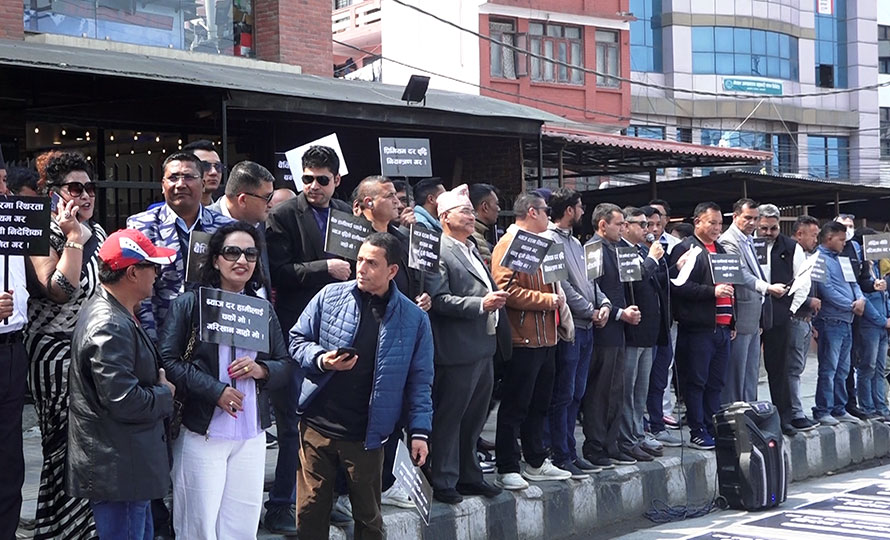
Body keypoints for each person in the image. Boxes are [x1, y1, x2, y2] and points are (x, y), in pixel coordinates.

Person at [291, 232, 433, 539]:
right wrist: (322, 360)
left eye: (371, 263)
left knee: (368, 518)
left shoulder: (414, 319)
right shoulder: (330, 295)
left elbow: (420, 381)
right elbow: (296, 339)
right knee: (310, 511)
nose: (361, 269)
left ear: (392, 270)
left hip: (367, 434)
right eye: (359, 260)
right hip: (317, 425)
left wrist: (419, 432)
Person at [159, 222, 293, 538]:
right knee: (199, 526)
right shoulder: (190, 304)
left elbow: (285, 364)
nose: (242, 260)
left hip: (251, 434)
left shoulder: (262, 309)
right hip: (202, 430)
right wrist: (215, 391)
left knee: (242, 526)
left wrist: (262, 370)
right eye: (232, 252)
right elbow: (167, 360)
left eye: (250, 254)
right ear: (215, 259)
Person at [264, 144, 352, 533]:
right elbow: (278, 272)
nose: (313, 186)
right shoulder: (283, 215)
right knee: (292, 423)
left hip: (339, 329)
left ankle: (322, 499)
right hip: (297, 329)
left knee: (331, 422)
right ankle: (281, 504)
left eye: (321, 180)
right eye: (307, 178)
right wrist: (323, 267)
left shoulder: (347, 215)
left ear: (336, 180)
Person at [67, 228, 177, 539]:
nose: (157, 275)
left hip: (126, 467)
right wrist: (165, 394)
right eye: (152, 266)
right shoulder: (110, 324)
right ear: (132, 273)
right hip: (119, 470)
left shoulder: (116, 313)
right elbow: (124, 400)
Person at [25, 151, 107, 540]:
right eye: (76, 188)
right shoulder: (40, 231)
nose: (85, 195)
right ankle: (59, 529)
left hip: (93, 350)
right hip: (54, 353)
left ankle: (85, 529)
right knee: (64, 447)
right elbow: (59, 289)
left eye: (90, 187)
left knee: (92, 444)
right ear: (54, 193)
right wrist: (73, 238)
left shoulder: (100, 233)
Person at [425, 184, 507, 503]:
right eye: (465, 211)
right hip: (457, 349)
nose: (472, 216)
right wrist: (480, 304)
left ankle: (469, 475)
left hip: (482, 345)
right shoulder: (439, 250)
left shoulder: (471, 248)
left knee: (474, 418)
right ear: (445, 217)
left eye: (472, 211)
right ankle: (444, 478)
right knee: (451, 416)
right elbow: (438, 299)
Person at [353, 175, 431, 508]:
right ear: (368, 203)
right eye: (390, 196)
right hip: (363, 332)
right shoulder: (353, 235)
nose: (398, 202)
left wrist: (420, 300)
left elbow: (411, 280)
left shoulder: (402, 238)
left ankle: (388, 482)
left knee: (395, 412)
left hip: (401, 329)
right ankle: (353, 490)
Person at [491, 192, 572, 490]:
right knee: (515, 405)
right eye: (546, 210)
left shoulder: (542, 244)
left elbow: (554, 283)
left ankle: (536, 460)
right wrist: (546, 300)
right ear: (532, 212)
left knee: (540, 404)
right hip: (522, 338)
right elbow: (505, 290)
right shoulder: (509, 243)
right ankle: (507, 465)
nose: (550, 215)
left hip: (546, 337)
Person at [127, 152, 233, 339]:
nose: (180, 184)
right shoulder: (141, 226)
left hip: (213, 333)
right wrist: (153, 344)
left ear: (203, 184)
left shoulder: (225, 228)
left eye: (189, 177)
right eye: (173, 178)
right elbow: (139, 293)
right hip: (161, 333)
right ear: (163, 185)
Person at [542, 188, 610, 476]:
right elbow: (562, 286)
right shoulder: (550, 241)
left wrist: (604, 304)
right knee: (564, 394)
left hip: (587, 327)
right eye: (580, 207)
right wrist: (589, 310)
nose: (583, 212)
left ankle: (570, 450)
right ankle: (560, 453)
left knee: (577, 392)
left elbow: (591, 281)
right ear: (569, 210)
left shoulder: (576, 242)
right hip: (570, 329)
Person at [670, 202, 734, 450]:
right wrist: (711, 292)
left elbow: (733, 286)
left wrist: (733, 320)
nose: (717, 228)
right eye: (712, 223)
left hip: (723, 327)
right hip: (699, 327)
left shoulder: (721, 249)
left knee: (716, 383)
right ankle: (697, 430)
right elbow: (678, 285)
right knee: (697, 381)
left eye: (720, 223)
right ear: (697, 222)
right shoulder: (686, 249)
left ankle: (712, 427)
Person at [583, 203, 641, 466]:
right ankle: (595, 445)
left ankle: (612, 442)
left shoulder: (618, 249)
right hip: (604, 327)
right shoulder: (594, 249)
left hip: (620, 328)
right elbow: (592, 290)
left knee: (617, 389)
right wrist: (619, 313)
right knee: (601, 390)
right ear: (603, 225)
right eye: (619, 224)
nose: (623, 228)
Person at [718, 199, 787, 403]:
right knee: (736, 374)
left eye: (755, 219)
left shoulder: (749, 239)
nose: (752, 223)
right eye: (747, 218)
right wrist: (767, 287)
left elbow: (755, 271)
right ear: (735, 216)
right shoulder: (728, 241)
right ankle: (735, 414)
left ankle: (749, 413)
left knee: (750, 374)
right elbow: (740, 274)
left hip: (754, 314)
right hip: (740, 314)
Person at [617, 206, 666, 461]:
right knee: (628, 388)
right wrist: (653, 260)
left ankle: (638, 433)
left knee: (641, 389)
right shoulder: (622, 250)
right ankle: (627, 437)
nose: (648, 230)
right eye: (642, 224)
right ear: (626, 226)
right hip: (631, 331)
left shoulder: (642, 251)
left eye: (648, 225)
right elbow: (634, 279)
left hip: (649, 330)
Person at [812, 221, 867, 425]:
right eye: (841, 239)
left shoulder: (842, 259)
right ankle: (823, 409)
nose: (844, 243)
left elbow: (854, 284)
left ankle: (839, 408)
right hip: (830, 320)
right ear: (829, 238)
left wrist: (860, 299)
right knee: (829, 368)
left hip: (846, 321)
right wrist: (851, 305)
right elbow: (826, 290)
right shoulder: (818, 259)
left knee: (843, 369)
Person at [0, 158, 29, 539]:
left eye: (5, 181)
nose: (4, 191)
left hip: (13, 350)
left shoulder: (15, 226)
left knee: (9, 460)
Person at [640, 206, 681, 447]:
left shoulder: (660, 251)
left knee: (659, 378)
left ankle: (658, 424)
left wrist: (676, 267)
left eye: (657, 224)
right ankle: (641, 429)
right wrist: (652, 259)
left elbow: (663, 281)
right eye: (647, 225)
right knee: (640, 383)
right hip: (641, 328)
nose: (653, 230)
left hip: (662, 324)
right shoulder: (633, 252)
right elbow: (638, 281)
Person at [756, 204, 799, 435]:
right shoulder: (749, 244)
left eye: (773, 228)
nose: (768, 233)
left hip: (780, 311)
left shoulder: (790, 247)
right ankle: (748, 417)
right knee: (747, 370)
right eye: (764, 228)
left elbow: (801, 280)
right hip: (752, 310)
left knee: (779, 367)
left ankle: (784, 418)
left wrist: (790, 309)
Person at [207, 161, 275, 286]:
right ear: (243, 200)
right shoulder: (202, 225)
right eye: (267, 197)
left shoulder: (261, 221)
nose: (271, 204)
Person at [786, 216, 822, 431]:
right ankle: (795, 412)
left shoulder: (808, 256)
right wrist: (808, 301)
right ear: (799, 234)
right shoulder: (790, 253)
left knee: (797, 368)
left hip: (806, 320)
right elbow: (788, 287)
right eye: (813, 235)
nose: (815, 240)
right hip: (794, 318)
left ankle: (796, 410)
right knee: (792, 368)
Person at [183, 139, 224, 206]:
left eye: (217, 166)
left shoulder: (225, 210)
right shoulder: (170, 210)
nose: (214, 172)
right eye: (205, 166)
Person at [469, 183, 501, 267]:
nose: (499, 209)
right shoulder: (472, 239)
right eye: (496, 204)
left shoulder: (477, 235)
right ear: (485, 207)